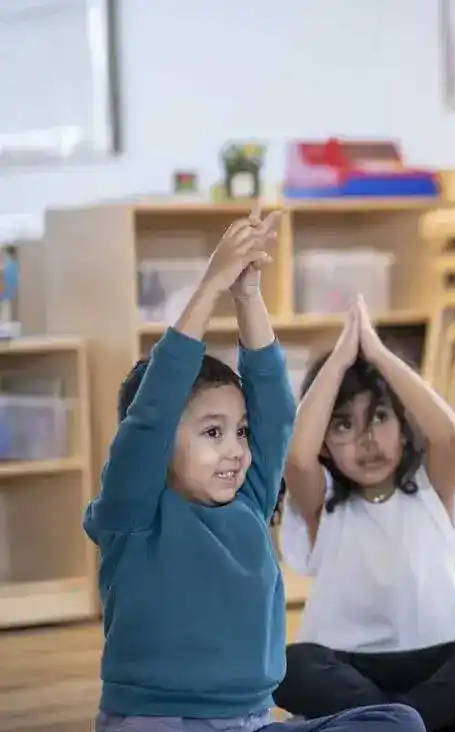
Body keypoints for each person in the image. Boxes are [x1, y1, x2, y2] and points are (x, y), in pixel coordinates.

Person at [86, 205, 424, 732]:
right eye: (212, 432)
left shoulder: (249, 501)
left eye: (239, 431)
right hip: (161, 722)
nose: (236, 449)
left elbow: (273, 408)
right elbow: (151, 417)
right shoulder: (131, 514)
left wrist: (247, 296)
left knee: (397, 722)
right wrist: (212, 284)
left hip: (251, 723)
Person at [274, 296, 455, 731]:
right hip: (347, 665)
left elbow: (448, 435)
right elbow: (297, 458)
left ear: (406, 428)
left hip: (438, 659)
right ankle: (408, 722)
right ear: (325, 444)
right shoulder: (323, 503)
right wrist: (337, 363)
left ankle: (390, 723)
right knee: (289, 664)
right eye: (343, 425)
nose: (367, 440)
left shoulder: (433, 489)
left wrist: (377, 354)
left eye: (380, 416)